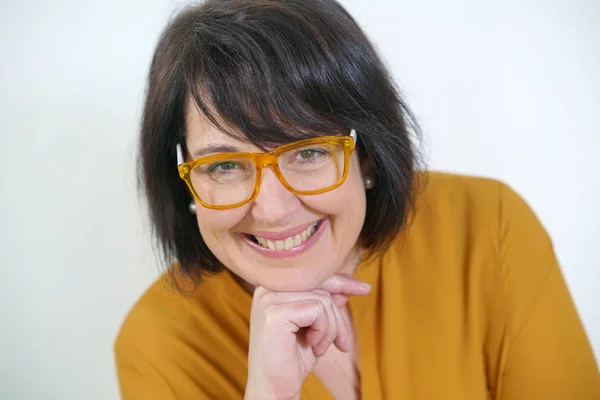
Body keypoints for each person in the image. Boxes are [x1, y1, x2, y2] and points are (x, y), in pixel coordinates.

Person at [114, 0, 600, 398]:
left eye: (307, 152)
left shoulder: (488, 227)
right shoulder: (159, 343)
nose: (273, 208)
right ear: (184, 182)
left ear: (368, 153)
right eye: (224, 165)